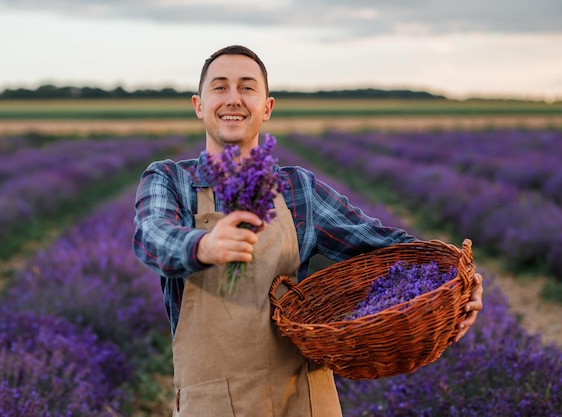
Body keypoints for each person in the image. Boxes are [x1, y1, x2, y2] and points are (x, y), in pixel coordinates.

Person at [133, 44, 483, 417]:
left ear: (266, 108)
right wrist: (203, 245)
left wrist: (455, 278)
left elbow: (384, 247)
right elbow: (151, 236)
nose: (233, 99)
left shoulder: (297, 189)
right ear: (199, 105)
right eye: (219, 87)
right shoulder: (171, 180)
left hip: (304, 400)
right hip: (214, 403)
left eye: (247, 87)